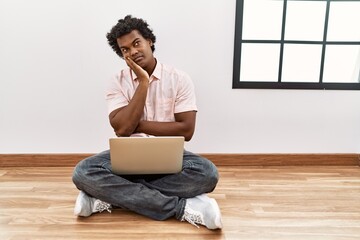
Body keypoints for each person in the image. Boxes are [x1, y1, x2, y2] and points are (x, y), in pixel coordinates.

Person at [72, 15, 222, 230]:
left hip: (168, 158)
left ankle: (105, 197)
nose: (132, 51)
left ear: (149, 41)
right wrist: (143, 82)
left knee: (207, 174)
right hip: (128, 156)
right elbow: (123, 130)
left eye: (136, 43)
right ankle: (183, 207)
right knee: (83, 172)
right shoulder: (117, 81)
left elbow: (187, 130)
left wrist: (137, 124)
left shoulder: (179, 78)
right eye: (125, 50)